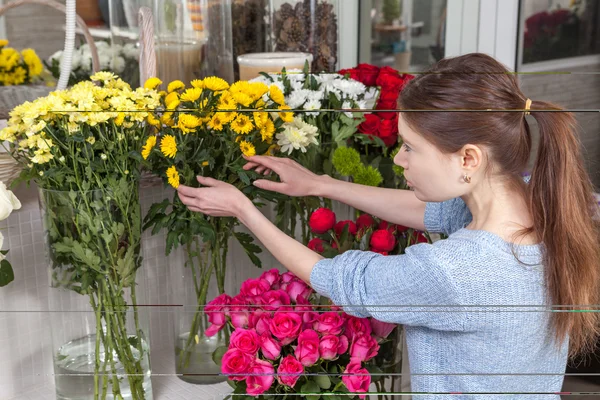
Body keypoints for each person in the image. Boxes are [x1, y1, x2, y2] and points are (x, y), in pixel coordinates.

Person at [176, 53, 600, 398]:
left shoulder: (455, 271)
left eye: (411, 148)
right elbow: (428, 211)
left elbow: (339, 278)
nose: (399, 160)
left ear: (468, 159)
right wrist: (320, 184)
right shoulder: (541, 201)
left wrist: (244, 210)